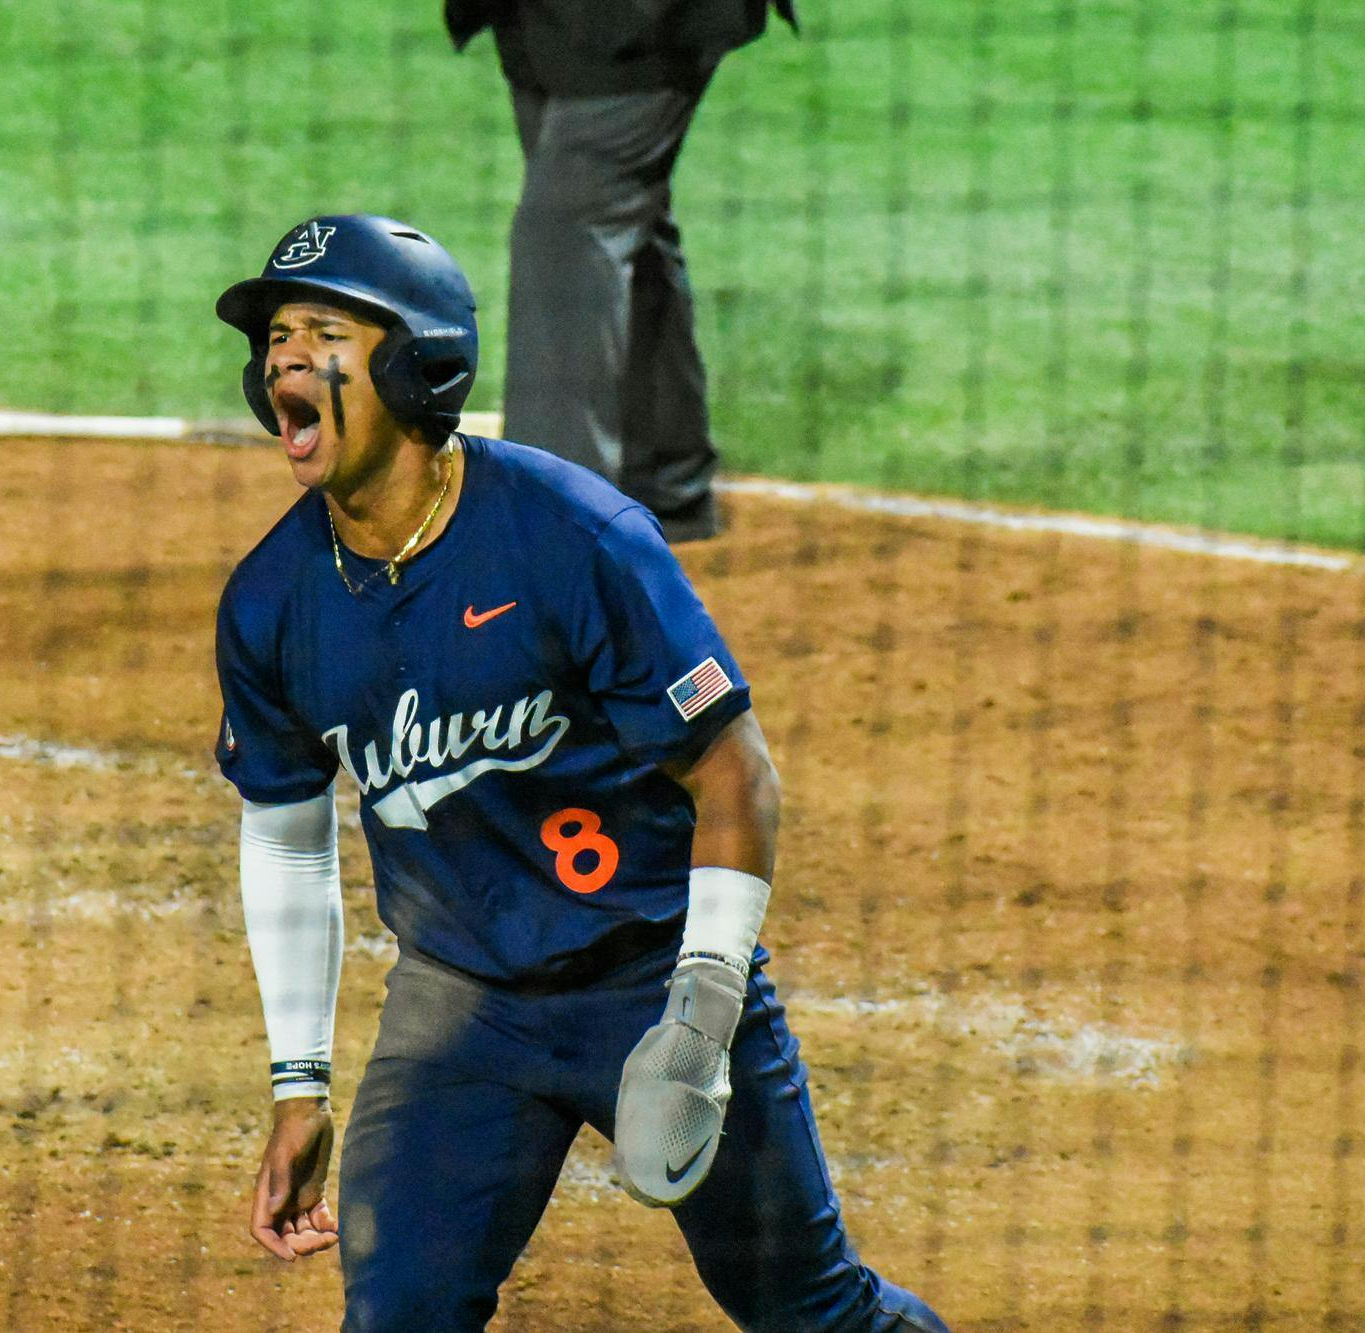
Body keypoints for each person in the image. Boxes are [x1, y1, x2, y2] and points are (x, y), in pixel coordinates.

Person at [213, 213, 946, 1332]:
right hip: (459, 1012)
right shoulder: (271, 601)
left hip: (650, 979)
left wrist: (698, 1020)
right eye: (273, 339)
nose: (281, 361)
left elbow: (734, 777)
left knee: (806, 1309)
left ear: (420, 366)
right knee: (397, 1316)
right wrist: (298, 1082)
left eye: (321, 331)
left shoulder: (573, 538)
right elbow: (284, 829)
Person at [443, 0, 799, 543]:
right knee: (616, 220)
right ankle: (658, 477)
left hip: (641, 22)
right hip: (545, 24)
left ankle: (556, 536)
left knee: (568, 232)